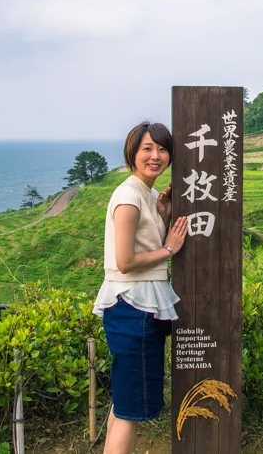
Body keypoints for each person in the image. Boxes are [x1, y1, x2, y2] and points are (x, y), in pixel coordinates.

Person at [93, 121, 188, 454]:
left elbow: (142, 237)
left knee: (124, 400)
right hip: (132, 308)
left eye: (162, 149)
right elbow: (125, 260)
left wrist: (163, 215)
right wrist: (169, 249)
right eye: (147, 148)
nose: (156, 156)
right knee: (129, 409)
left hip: (137, 308)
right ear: (132, 152)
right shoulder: (128, 196)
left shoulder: (146, 194)